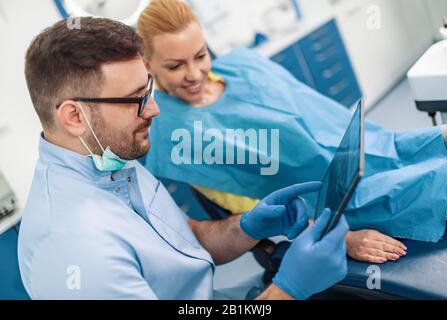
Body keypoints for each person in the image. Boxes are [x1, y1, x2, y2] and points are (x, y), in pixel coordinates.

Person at [17, 17, 348, 300]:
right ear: (75, 116)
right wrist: (288, 289)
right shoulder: (74, 247)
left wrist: (247, 225)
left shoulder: (109, 159)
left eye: (148, 92)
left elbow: (184, 242)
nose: (154, 109)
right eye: (135, 100)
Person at [137, 0, 447, 264]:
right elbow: (256, 210)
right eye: (175, 66)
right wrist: (341, 237)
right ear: (148, 64)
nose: (194, 74)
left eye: (201, 55)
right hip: (341, 204)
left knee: (434, 140)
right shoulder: (173, 134)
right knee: (435, 183)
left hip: (375, 149)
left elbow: (322, 114)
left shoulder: (243, 66)